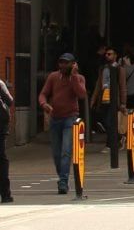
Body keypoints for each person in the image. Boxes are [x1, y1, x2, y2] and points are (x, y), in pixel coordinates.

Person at [38, 53, 87, 194]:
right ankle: (62, 177)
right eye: (61, 62)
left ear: (73, 64)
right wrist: (44, 104)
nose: (63, 65)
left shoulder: (79, 78)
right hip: (55, 119)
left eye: (66, 63)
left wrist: (73, 77)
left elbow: (81, 94)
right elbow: (43, 93)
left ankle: (63, 182)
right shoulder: (53, 76)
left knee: (66, 151)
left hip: (70, 119)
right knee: (56, 153)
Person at [90, 46, 126, 155]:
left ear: (115, 56)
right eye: (106, 54)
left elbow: (122, 86)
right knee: (103, 120)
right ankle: (119, 137)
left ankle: (110, 145)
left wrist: (123, 102)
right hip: (103, 98)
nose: (107, 56)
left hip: (114, 99)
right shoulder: (103, 68)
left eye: (110, 54)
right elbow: (98, 84)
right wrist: (93, 99)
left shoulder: (119, 69)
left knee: (110, 121)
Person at [0, 76, 14, 203]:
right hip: (1, 127)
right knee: (2, 159)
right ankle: (5, 194)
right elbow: (10, 101)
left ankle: (5, 194)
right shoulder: (0, 84)